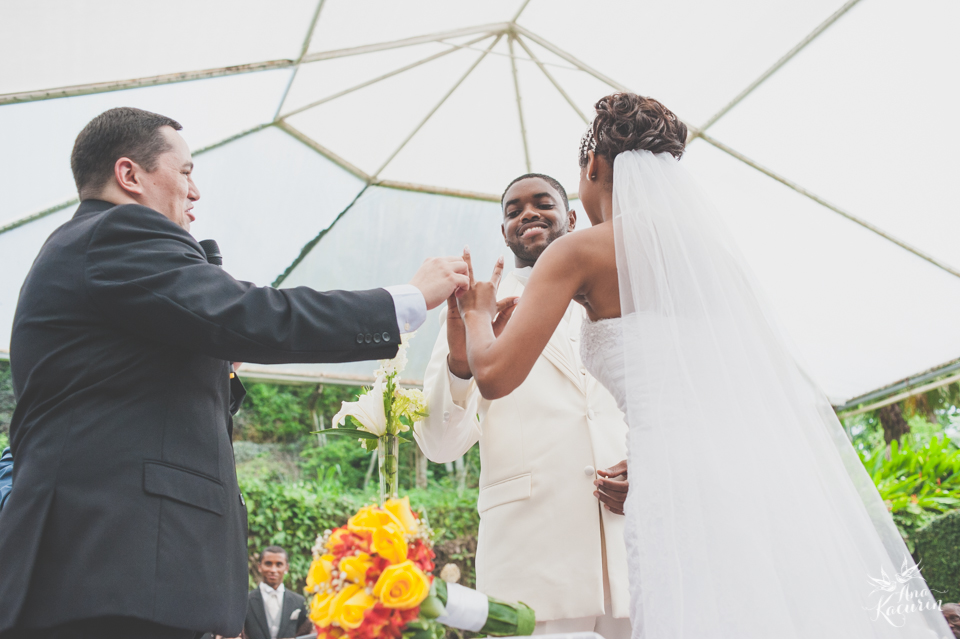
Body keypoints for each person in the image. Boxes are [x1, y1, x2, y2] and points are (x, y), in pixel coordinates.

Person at [454, 93, 951, 637]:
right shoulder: (711, 259)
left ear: (593, 167)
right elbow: (737, 389)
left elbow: (496, 376)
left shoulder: (579, 252)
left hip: (669, 486)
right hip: (739, 476)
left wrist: (476, 314)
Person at [0, 107, 468, 639]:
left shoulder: (87, 251)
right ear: (129, 175)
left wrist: (217, 361)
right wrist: (402, 301)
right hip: (111, 564)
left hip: (110, 570)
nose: (195, 192)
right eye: (185, 172)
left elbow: (128, 386)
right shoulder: (117, 232)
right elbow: (253, 314)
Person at [415, 173, 631, 637]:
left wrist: (649, 469)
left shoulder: (621, 296)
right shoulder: (473, 312)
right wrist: (461, 357)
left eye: (542, 203)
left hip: (634, 553)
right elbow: (438, 444)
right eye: (513, 210)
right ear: (504, 231)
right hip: (533, 557)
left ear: (571, 217)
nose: (528, 213)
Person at [243, 547, 311, 639]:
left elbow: (305, 634)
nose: (273, 570)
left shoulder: (299, 601)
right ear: (259, 567)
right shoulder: (245, 600)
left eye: (279, 564)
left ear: (286, 568)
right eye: (268, 564)